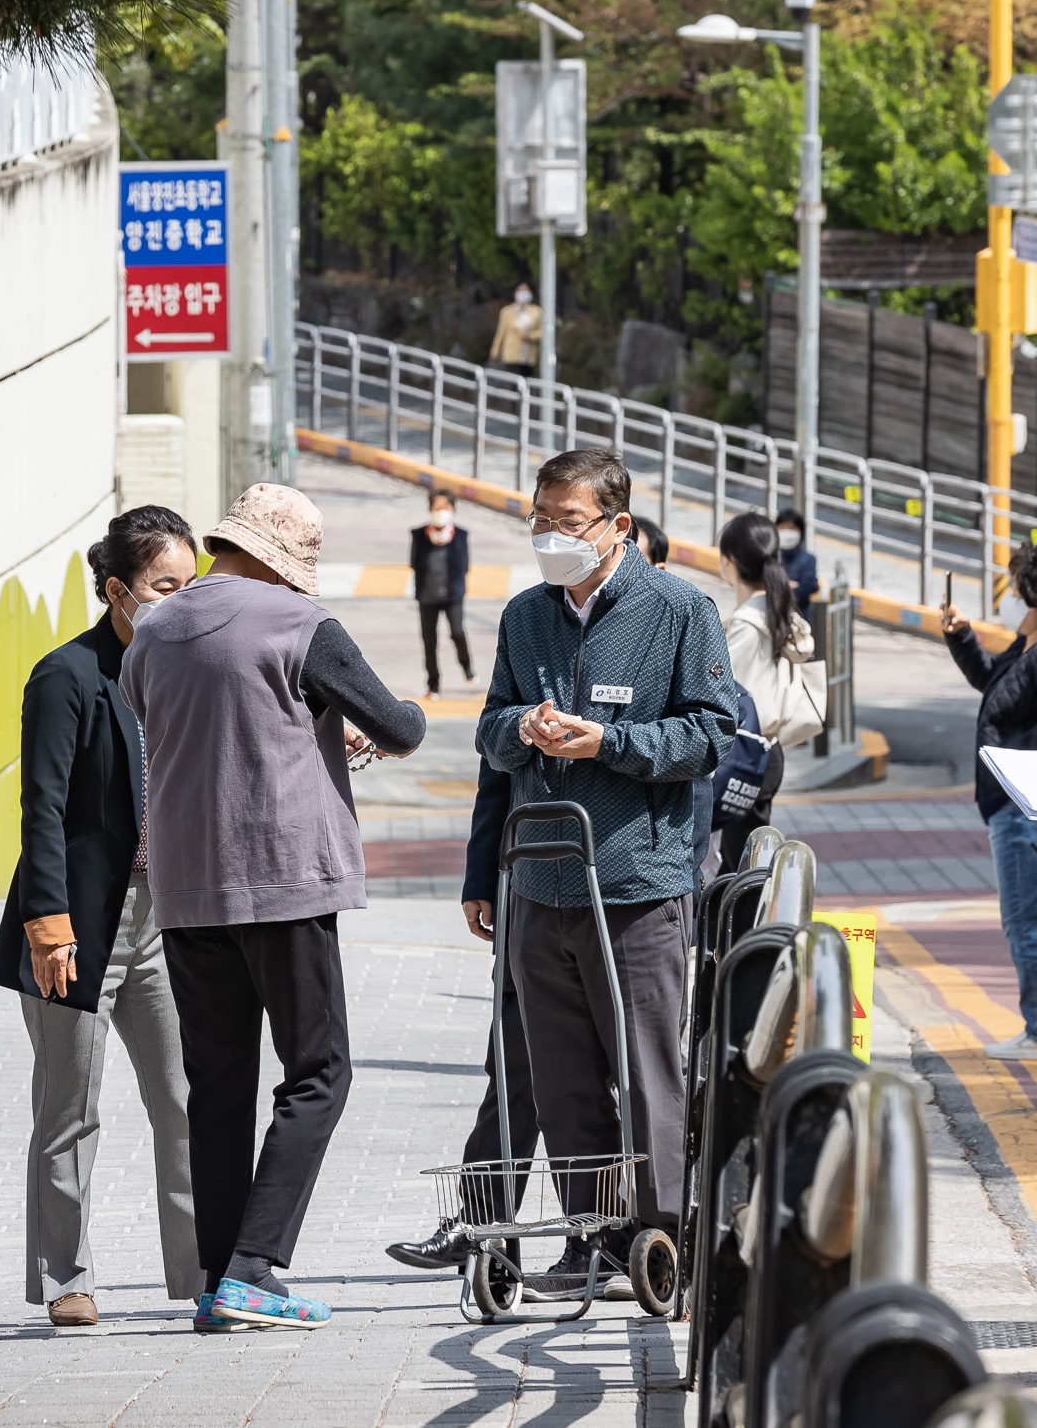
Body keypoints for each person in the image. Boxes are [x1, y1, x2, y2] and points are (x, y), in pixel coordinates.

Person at [121, 484, 425, 1332]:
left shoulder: (152, 632)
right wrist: (374, 718)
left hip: (185, 887)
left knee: (217, 1085)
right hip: (284, 877)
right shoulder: (301, 626)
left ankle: (217, 1278)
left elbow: (188, 719)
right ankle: (256, 1268)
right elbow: (397, 725)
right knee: (320, 1070)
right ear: (282, 561)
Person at [479, 449, 738, 1297]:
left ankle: (660, 1240)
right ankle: (592, 1238)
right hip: (540, 884)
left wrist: (610, 742)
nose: (551, 535)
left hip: (636, 886)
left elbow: (710, 736)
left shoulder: (679, 611)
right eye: (540, 519)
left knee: (647, 1070)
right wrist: (524, 727)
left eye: (569, 520)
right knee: (562, 1081)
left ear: (618, 526)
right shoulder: (524, 617)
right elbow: (488, 735)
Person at [0, 506, 208, 1328]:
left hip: (163, 918)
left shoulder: (188, 668)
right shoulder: (67, 675)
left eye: (192, 585)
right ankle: (64, 1278)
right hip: (80, 921)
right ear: (118, 591)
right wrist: (47, 923)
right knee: (69, 1105)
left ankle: (200, 1270)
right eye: (164, 586)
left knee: (184, 1097)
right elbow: (40, 806)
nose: (181, 602)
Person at [383, 763, 544, 1275]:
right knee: (512, 1070)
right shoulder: (523, 680)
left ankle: (615, 1234)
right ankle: (480, 1224)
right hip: (530, 892)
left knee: (618, 1083)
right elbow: (496, 769)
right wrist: (481, 876)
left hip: (627, 896)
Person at [940, 537, 1037, 1064]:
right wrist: (962, 638)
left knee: (1028, 921)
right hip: (1014, 803)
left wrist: (1025, 765)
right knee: (1024, 918)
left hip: (1030, 806)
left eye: (1017, 587)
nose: (1010, 596)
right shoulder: (1028, 644)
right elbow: (990, 682)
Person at [714, 512, 810, 870]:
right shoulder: (780, 614)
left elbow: (719, 694)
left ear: (730, 562)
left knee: (734, 870)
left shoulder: (745, 626)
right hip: (767, 752)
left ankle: (740, 929)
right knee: (746, 862)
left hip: (741, 754)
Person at [411, 489, 473, 700]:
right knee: (429, 641)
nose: (442, 512)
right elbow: (414, 563)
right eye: (437, 507)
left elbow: (464, 565)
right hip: (427, 596)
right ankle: (433, 684)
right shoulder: (419, 535)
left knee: (457, 632)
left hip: (453, 595)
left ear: (453, 510)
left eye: (445, 507)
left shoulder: (461, 535)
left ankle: (466, 665)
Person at [490, 284, 543, 372]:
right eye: (520, 290)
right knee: (513, 381)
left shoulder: (537, 311)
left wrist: (530, 336)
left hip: (529, 356)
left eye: (526, 290)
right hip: (511, 355)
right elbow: (501, 332)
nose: (523, 293)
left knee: (526, 381)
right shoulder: (507, 311)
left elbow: (543, 332)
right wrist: (495, 351)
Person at [775, 508, 820, 612]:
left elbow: (805, 591)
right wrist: (790, 585)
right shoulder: (770, 557)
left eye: (792, 528)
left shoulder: (809, 559)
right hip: (775, 616)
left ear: (801, 531)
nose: (787, 532)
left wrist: (780, 586)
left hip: (801, 617)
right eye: (783, 528)